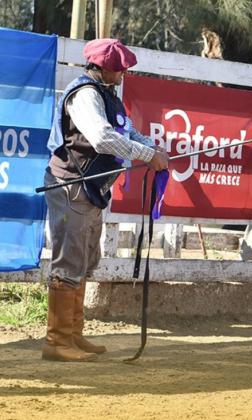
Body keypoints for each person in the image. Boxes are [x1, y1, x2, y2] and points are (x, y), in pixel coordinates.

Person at [42, 38, 169, 362]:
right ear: (104, 68)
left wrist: (151, 148)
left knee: (85, 258)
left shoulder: (107, 96)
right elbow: (101, 138)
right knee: (69, 259)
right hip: (72, 184)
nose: (124, 73)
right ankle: (56, 341)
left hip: (90, 189)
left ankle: (73, 334)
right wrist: (145, 154)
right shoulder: (86, 95)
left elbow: (126, 132)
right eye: (120, 67)